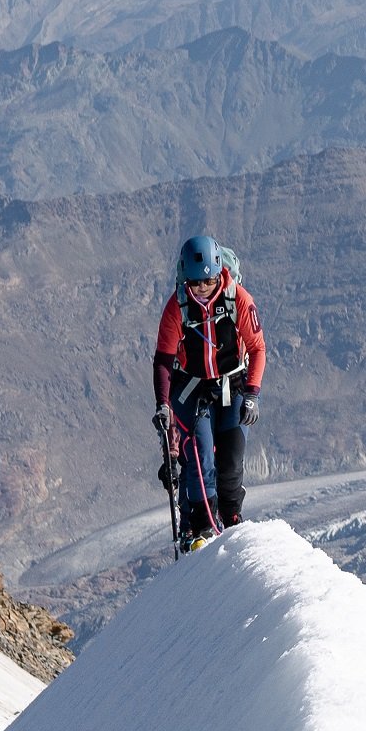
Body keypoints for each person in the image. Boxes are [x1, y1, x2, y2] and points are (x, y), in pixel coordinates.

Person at [153, 234, 266, 553]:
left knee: (231, 458)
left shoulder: (238, 299)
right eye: (196, 283)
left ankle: (231, 518)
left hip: (233, 386)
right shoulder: (177, 307)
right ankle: (201, 526)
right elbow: (163, 359)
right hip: (193, 389)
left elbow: (257, 348)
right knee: (200, 458)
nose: (203, 288)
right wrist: (163, 405)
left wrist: (253, 393)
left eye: (209, 281)